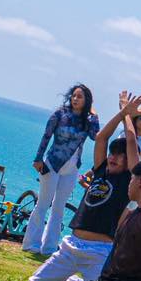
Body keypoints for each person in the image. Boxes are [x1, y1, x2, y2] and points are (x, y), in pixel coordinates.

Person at [26, 94, 141, 281]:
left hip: (100, 251)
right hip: (71, 245)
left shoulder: (128, 180)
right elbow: (101, 137)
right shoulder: (101, 170)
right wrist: (122, 112)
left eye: (120, 156)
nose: (113, 157)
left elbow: (131, 142)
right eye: (112, 153)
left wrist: (127, 118)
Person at [22, 85, 100, 255]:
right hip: (52, 164)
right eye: (74, 95)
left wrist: (95, 116)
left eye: (80, 96)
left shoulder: (87, 121)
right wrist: (38, 158)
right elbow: (46, 136)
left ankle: (49, 247)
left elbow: (95, 136)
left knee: (59, 208)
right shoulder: (60, 114)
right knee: (43, 204)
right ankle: (30, 243)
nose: (75, 99)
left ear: (87, 100)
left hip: (72, 168)